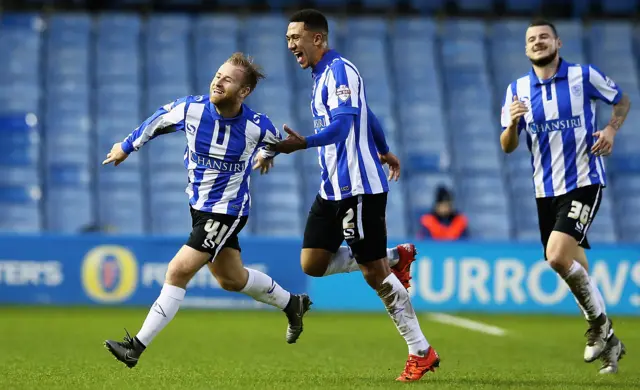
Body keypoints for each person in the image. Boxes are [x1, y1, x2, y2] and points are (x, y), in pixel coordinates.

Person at [102, 52, 312, 368]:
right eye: (217, 75)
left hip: (227, 211)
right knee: (231, 279)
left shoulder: (257, 126)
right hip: (198, 207)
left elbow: (274, 143)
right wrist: (126, 146)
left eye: (227, 79)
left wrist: (267, 156)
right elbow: (158, 120)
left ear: (243, 92)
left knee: (178, 270)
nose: (217, 81)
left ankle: (136, 347)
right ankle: (291, 303)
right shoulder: (192, 109)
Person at [266, 9, 439, 382]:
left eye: (295, 37)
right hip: (332, 187)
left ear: (318, 38)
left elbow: (345, 124)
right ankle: (397, 256)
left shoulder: (340, 70)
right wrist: (384, 146)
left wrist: (304, 144)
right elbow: (366, 114)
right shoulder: (320, 76)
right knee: (312, 263)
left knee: (374, 274)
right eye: (286, 39)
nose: (290, 44)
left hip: (358, 188)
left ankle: (420, 351)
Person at [499, 19, 630, 374]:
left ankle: (599, 327)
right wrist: (511, 125)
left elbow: (621, 102)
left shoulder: (584, 76)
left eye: (544, 37)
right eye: (531, 39)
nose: (538, 42)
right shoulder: (517, 91)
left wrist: (610, 130)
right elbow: (507, 146)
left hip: (584, 181)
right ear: (526, 49)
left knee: (557, 257)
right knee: (576, 268)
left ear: (558, 42)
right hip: (545, 190)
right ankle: (611, 341)